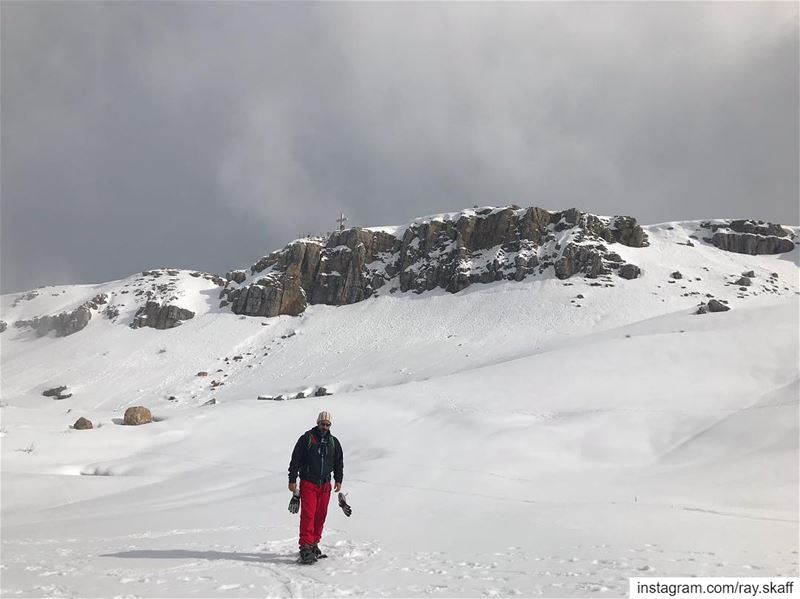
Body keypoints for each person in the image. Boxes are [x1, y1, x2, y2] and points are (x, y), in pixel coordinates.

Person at [288, 411, 344, 563]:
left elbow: (338, 462)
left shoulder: (333, 442)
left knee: (320, 515)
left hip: (325, 485)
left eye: (327, 424)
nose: (324, 427)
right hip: (309, 483)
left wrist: (338, 480)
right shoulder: (307, 438)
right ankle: (305, 547)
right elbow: (295, 460)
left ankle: (314, 544)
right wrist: (292, 480)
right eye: (322, 424)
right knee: (309, 515)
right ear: (317, 423)